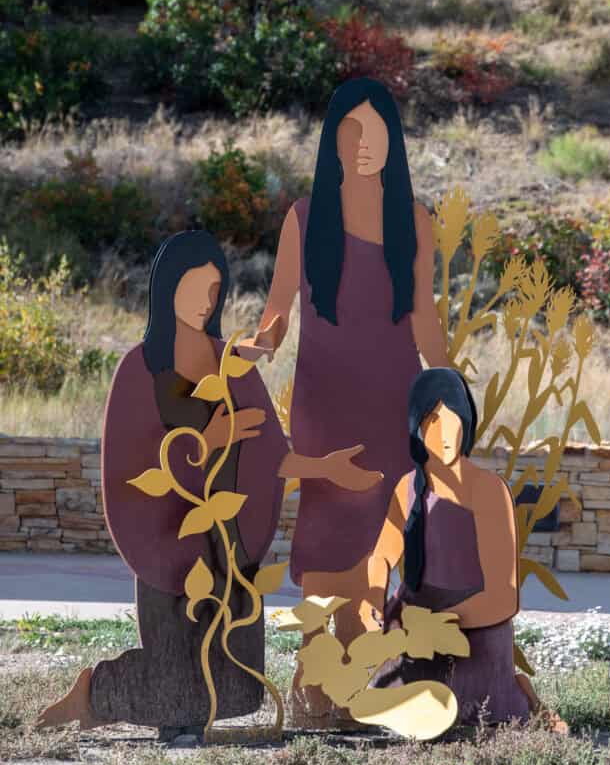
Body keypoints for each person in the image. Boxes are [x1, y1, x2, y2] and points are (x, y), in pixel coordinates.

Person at [36, 231, 381, 739]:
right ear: (167, 286)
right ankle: (99, 692)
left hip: (228, 550)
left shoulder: (232, 364)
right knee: (178, 676)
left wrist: (325, 468)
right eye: (194, 288)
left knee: (240, 688)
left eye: (215, 290)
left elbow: (269, 455)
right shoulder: (139, 369)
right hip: (169, 544)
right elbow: (131, 461)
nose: (205, 301)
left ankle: (132, 701)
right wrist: (206, 440)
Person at [238, 79, 449, 717]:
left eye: (374, 130)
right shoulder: (305, 218)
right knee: (326, 537)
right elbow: (277, 315)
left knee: (380, 539)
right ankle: (311, 682)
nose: (362, 143)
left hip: (391, 404)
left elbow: (424, 317)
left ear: (392, 139)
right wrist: (252, 348)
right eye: (349, 131)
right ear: (333, 141)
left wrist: (450, 389)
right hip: (323, 406)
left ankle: (358, 682)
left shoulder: (414, 220)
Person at [369, 367, 568, 731]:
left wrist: (441, 624)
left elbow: (503, 597)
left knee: (476, 714)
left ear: (467, 422)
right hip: (414, 625)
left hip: (473, 626)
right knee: (392, 709)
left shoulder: (488, 491)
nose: (445, 433)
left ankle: (521, 694)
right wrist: (373, 598)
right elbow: (382, 555)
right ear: (416, 426)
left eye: (453, 419)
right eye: (433, 420)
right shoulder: (406, 488)